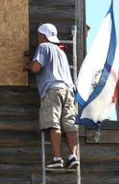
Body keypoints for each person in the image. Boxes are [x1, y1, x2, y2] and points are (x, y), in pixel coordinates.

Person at [24, 23, 79, 169]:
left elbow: (36, 68)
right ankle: (73, 156)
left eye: (38, 35)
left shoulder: (43, 47)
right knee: (69, 125)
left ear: (43, 36)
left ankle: (57, 158)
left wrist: (28, 63)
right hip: (68, 90)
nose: (37, 39)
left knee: (53, 124)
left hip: (53, 89)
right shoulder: (60, 51)